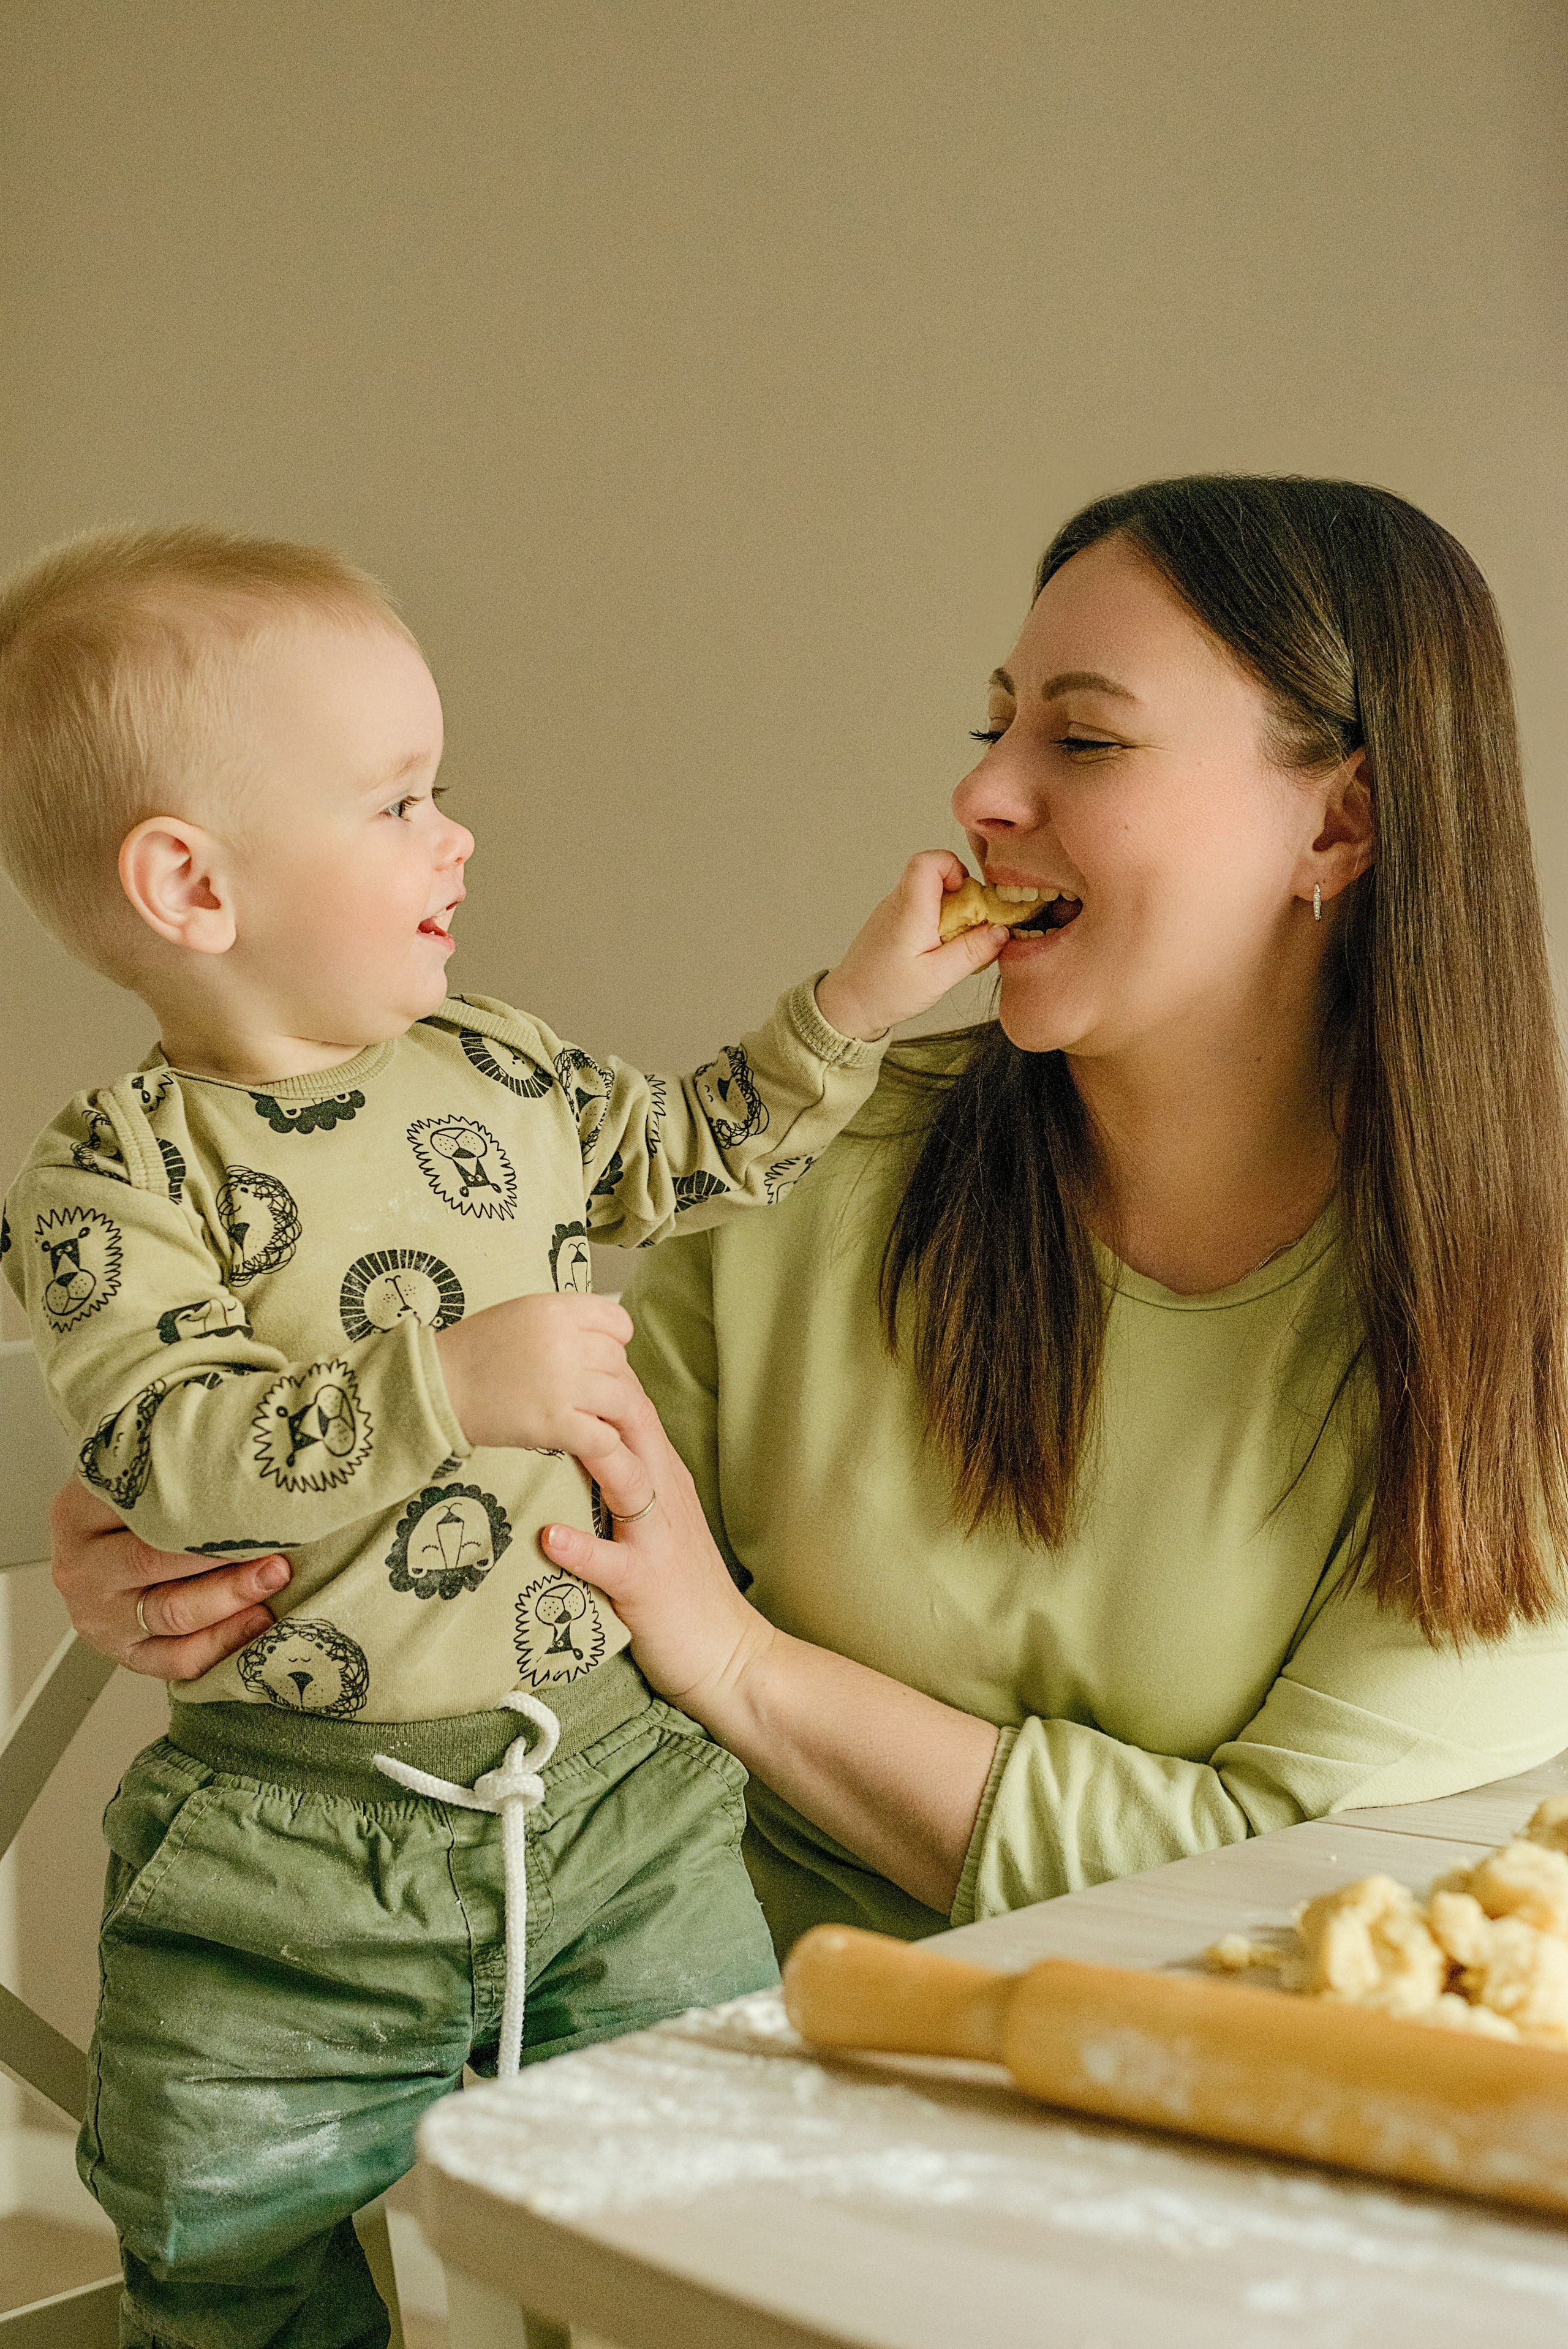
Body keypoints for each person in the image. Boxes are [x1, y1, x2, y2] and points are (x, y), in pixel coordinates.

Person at [53, 476, 1568, 1967]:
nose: (982, 795)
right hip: (680, 2054)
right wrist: (183, 1521)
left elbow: (1296, 1891)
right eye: (992, 728)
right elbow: (526, 1544)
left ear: (1337, 825)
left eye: (1084, 739)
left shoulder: (1520, 1325)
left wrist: (742, 1665)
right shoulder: (818, 1163)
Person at [0, 521, 1006, 2349]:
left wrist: (856, 1002)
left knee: (735, 2215)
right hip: (286, 1851)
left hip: (612, 1796)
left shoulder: (499, 1062)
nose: (456, 835)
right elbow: (166, 1449)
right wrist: (450, 1384)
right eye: (398, 801)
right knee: (220, 2252)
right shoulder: (113, 1177)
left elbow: (689, 1149)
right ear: (190, 884)